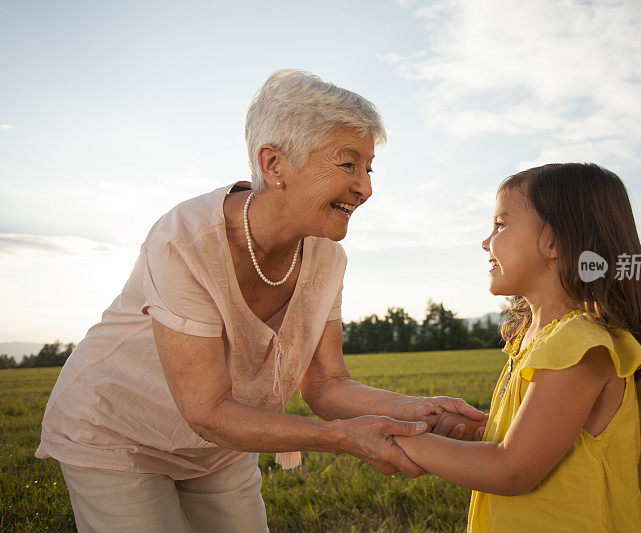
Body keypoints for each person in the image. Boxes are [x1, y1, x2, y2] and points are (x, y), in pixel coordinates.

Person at [34, 69, 484, 532]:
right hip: (116, 429)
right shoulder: (185, 240)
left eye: (368, 168)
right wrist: (341, 438)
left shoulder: (328, 259)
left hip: (223, 443)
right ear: (273, 165)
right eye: (348, 164)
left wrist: (415, 410)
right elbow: (206, 410)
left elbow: (327, 384)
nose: (366, 188)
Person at [394, 163, 641, 532]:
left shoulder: (577, 346)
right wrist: (476, 430)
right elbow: (537, 431)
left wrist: (397, 438)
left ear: (555, 241)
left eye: (500, 225)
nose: (486, 242)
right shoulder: (539, 337)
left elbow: (512, 469)